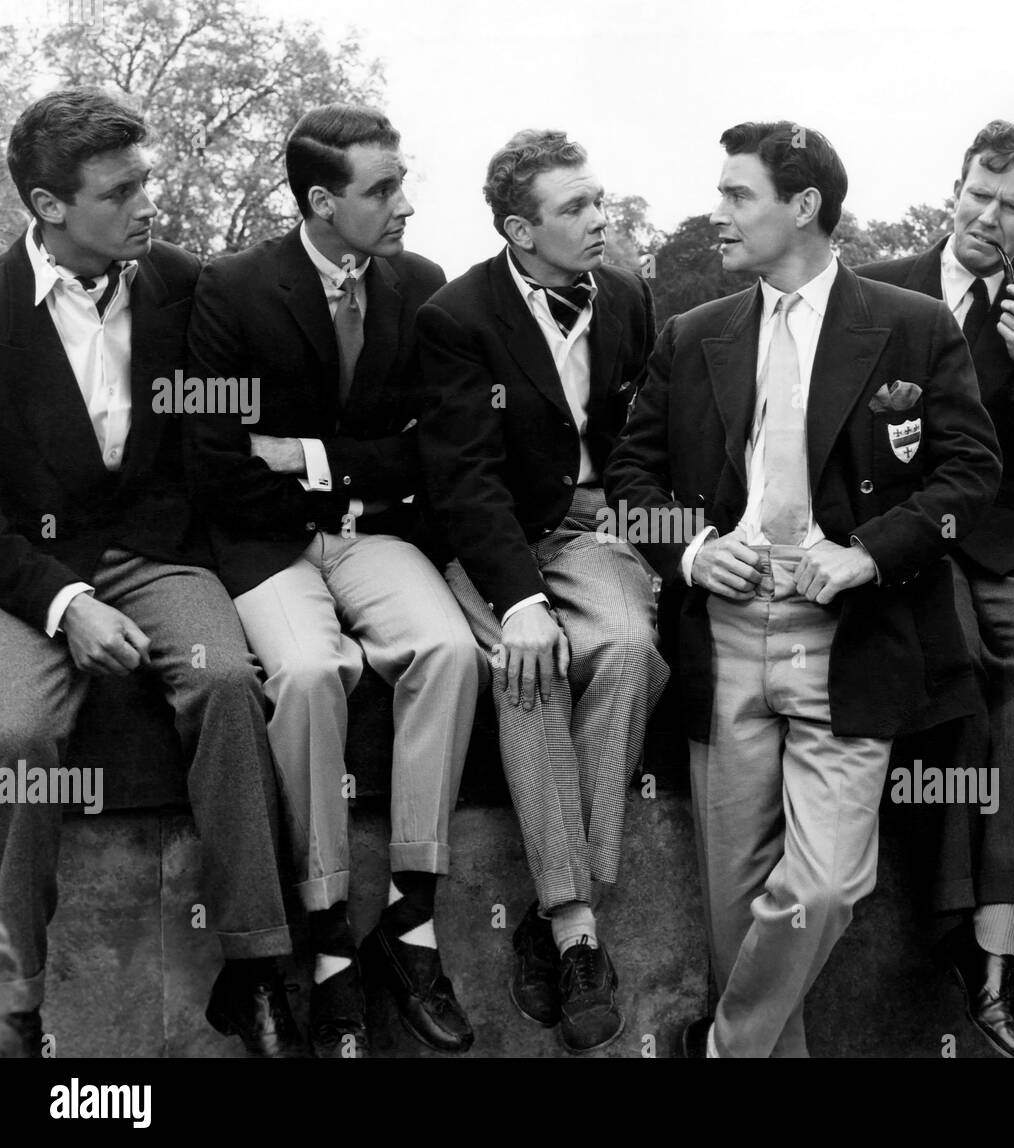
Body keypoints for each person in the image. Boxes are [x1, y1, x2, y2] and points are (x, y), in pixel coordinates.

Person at [605, 121, 1002, 1058]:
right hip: (729, 638)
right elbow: (632, 479)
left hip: (850, 641)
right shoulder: (692, 334)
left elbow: (970, 477)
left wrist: (869, 552)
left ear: (805, 207)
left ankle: (722, 1049)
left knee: (824, 887)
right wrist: (693, 554)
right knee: (735, 909)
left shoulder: (912, 325)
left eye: (738, 194)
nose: (720, 211)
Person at [0, 88, 299, 1058]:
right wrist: (61, 601)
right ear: (48, 206)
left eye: (148, 180)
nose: (147, 203)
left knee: (222, 679)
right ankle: (16, 1002)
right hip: (33, 572)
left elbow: (211, 441)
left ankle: (254, 969)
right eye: (120, 189)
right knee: (17, 735)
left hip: (158, 553)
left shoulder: (181, 282)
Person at [185, 104, 479, 1058]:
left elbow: (429, 452)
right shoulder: (231, 288)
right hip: (265, 546)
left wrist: (308, 452)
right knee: (309, 675)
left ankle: (411, 914)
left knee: (446, 650)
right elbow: (217, 460)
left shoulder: (419, 285)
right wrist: (351, 458)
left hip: (375, 536)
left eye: (402, 181)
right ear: (320, 201)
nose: (404, 203)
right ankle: (324, 937)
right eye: (382, 189)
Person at [417, 129, 668, 1054]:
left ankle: (557, 909)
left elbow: (641, 438)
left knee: (630, 650)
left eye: (599, 200)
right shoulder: (457, 319)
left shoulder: (631, 298)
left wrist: (642, 530)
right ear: (520, 230)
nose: (601, 219)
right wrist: (519, 602)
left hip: (595, 529)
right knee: (530, 669)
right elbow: (464, 480)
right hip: (494, 540)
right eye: (575, 209)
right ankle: (574, 930)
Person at [857, 120, 1014, 1057]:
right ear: (953, 187)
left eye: (1013, 207)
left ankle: (984, 939)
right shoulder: (878, 284)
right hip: (905, 528)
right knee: (952, 666)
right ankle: (983, 950)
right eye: (977, 195)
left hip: (1000, 528)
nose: (988, 218)